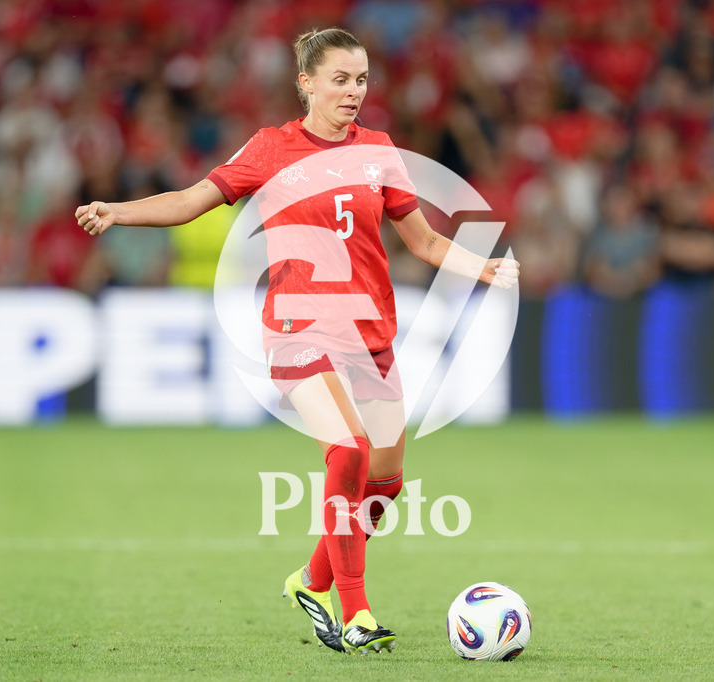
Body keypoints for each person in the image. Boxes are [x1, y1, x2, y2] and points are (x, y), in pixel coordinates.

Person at [75, 27, 519, 655]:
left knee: (386, 483)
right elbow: (191, 200)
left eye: (361, 80)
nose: (353, 91)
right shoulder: (270, 148)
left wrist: (483, 266)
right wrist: (119, 211)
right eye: (340, 79)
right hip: (297, 328)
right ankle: (356, 612)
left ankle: (310, 580)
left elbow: (421, 240)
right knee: (349, 452)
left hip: (369, 336)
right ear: (306, 83)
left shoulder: (380, 152)